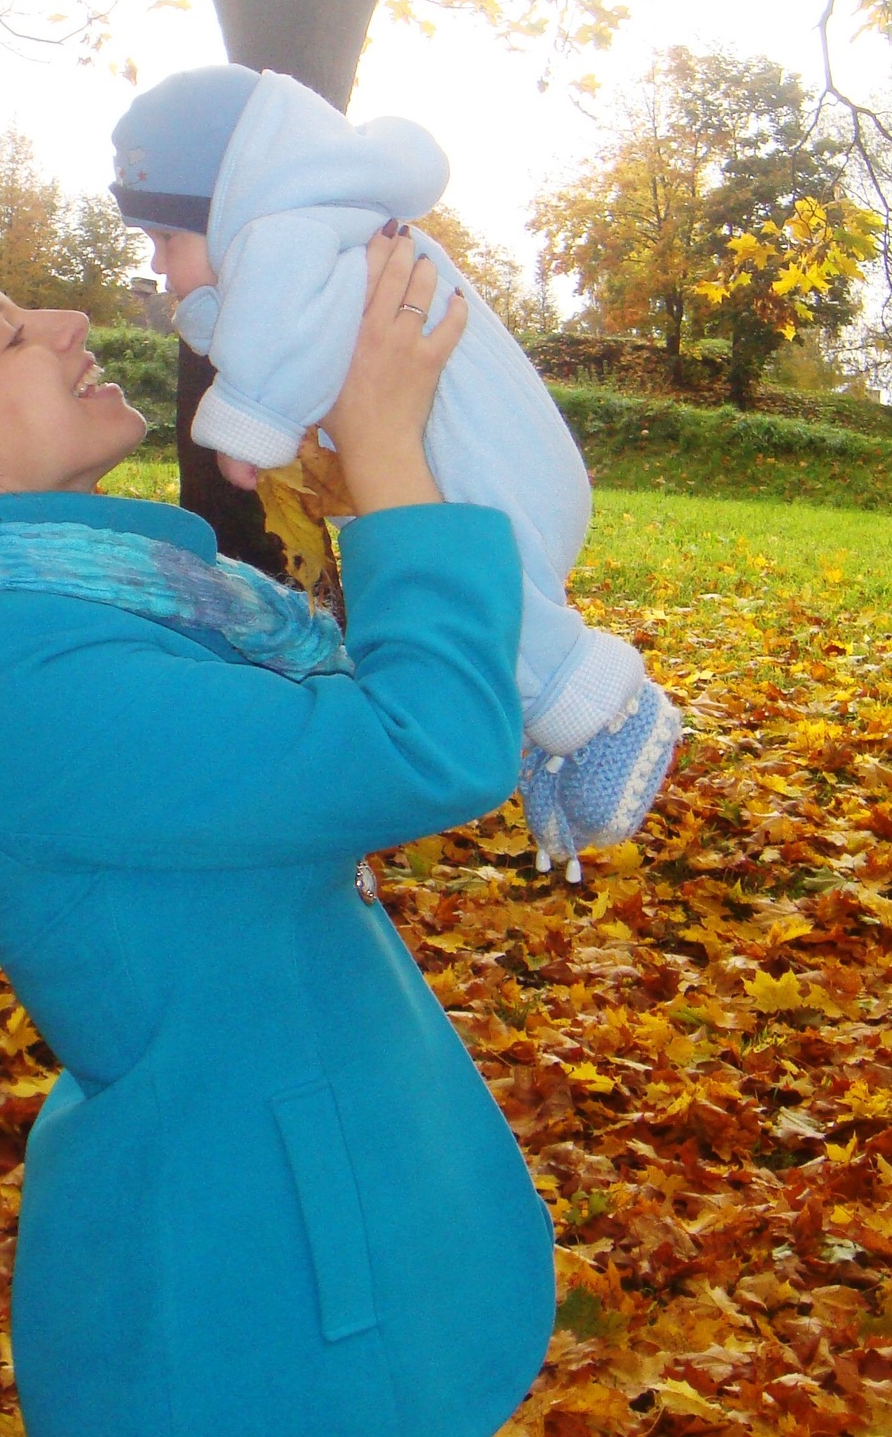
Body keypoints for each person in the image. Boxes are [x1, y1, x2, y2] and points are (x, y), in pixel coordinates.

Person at [0, 233, 556, 1437]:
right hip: (237, 1347)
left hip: (288, 1278)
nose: (68, 320)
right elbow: (427, 741)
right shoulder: (23, 672)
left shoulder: (92, 610)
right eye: (8, 331)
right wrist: (384, 448)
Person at [110, 65, 683, 880]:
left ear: (229, 199)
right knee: (471, 595)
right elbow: (262, 325)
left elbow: (273, 352)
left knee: (486, 589)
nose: (161, 267)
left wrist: (246, 430)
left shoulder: (289, 237)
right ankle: (531, 724)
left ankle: (600, 711)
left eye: (168, 240)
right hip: (487, 455)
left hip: (476, 461)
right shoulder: (338, 228)